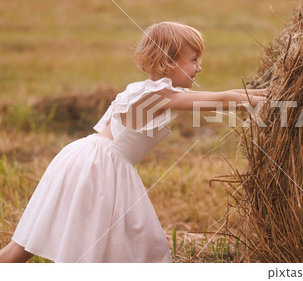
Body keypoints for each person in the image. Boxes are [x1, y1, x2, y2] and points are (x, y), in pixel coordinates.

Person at [0, 21, 266, 263]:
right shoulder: (158, 96)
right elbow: (220, 101)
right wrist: (269, 103)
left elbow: (224, 94)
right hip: (100, 168)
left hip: (83, 158)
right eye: (194, 60)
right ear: (170, 62)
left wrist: (266, 92)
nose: (200, 67)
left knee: (24, 245)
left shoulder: (146, 88)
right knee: (142, 245)